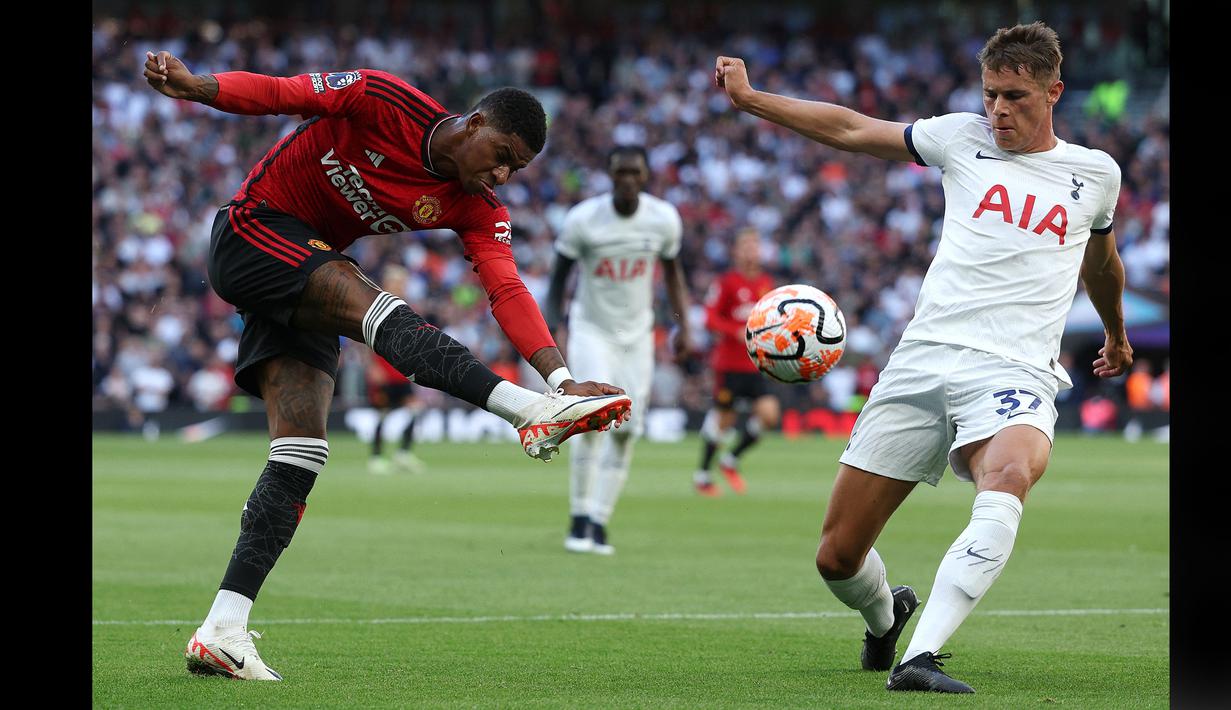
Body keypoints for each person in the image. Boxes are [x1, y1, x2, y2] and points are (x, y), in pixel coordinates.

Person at [143, 51, 633, 681]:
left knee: (301, 453)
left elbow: (507, 288)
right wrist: (198, 87)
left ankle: (223, 630)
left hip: (306, 275)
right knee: (380, 308)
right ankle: (526, 411)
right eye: (502, 155)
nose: (503, 175)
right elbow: (282, 92)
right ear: (475, 123)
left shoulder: (478, 205)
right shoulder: (383, 99)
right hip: (253, 232)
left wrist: (563, 379)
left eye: (516, 169)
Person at [715, 21, 1132, 693]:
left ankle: (921, 657)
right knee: (837, 556)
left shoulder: (1094, 174)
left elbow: (1102, 263)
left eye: (1015, 97)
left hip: (1014, 368)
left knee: (1009, 474)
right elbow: (851, 129)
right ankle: (886, 618)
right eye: (990, 94)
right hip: (923, 360)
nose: (998, 109)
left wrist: (1114, 334)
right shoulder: (958, 137)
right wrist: (751, 99)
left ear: (1053, 92)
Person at [544, 145, 693, 555]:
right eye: (620, 173)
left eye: (634, 173)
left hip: (637, 336)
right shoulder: (583, 220)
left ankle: (599, 519)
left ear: (645, 177)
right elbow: (558, 278)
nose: (627, 180)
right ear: (610, 176)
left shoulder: (663, 219)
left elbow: (673, 273)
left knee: (628, 429)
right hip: (592, 330)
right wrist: (550, 326)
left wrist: (684, 325)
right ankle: (579, 517)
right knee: (593, 418)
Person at [692, 227, 780, 497]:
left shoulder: (767, 283)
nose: (751, 250)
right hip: (729, 365)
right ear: (737, 252)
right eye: (746, 246)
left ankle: (730, 460)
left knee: (769, 415)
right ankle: (703, 475)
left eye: (755, 245)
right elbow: (709, 318)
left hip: (757, 364)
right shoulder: (726, 282)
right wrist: (735, 331)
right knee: (724, 421)